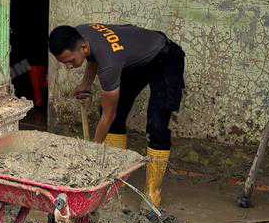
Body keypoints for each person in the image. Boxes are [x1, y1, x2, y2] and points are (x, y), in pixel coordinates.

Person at [48, 22, 186, 210]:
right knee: (117, 117)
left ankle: (152, 194)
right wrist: (86, 83)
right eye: (64, 63)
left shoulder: (109, 64)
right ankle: (115, 181)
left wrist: (92, 150)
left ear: (83, 47)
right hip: (136, 58)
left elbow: (108, 116)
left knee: (157, 124)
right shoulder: (79, 34)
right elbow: (94, 56)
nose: (69, 67)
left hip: (165, 57)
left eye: (70, 61)